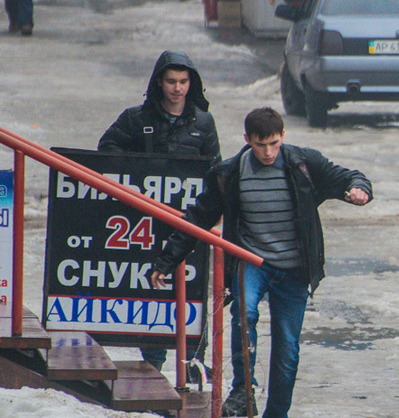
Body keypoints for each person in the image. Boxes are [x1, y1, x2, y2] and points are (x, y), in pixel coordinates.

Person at [149, 107, 372, 418]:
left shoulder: (303, 163)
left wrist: (360, 190)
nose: (268, 152)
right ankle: (243, 389)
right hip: (252, 261)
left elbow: (348, 177)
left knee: (287, 349)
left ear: (282, 137)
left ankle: (276, 414)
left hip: (295, 268)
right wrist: (168, 259)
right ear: (247, 140)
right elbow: (198, 219)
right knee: (244, 314)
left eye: (274, 144)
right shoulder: (229, 174)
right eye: (260, 145)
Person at [98, 50, 221, 383]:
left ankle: (190, 368)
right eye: (171, 81)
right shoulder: (136, 118)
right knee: (150, 290)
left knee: (191, 293)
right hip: (143, 223)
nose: (177, 88)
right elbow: (106, 149)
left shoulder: (203, 122)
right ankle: (153, 371)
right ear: (159, 83)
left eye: (183, 81)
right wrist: (134, 178)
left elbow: (217, 170)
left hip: (188, 222)